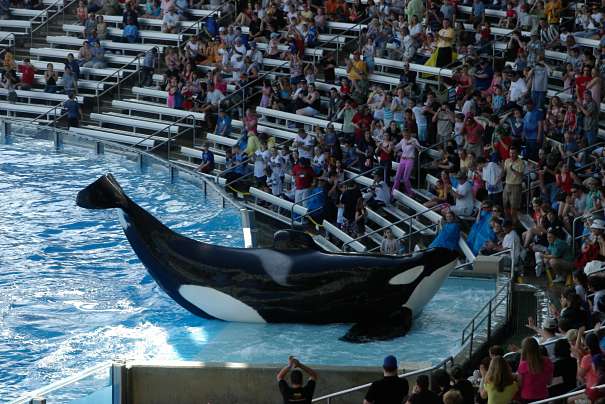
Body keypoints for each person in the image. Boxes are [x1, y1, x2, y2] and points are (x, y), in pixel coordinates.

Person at [517, 337, 553, 402]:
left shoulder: (522, 365)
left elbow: (520, 384)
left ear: (524, 350)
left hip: (527, 397)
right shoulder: (547, 361)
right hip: (543, 396)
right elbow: (549, 382)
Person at [502, 146, 525, 224]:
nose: (511, 154)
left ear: (517, 153)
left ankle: (514, 224)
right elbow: (504, 172)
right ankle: (507, 222)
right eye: (510, 153)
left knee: (513, 208)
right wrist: (501, 171)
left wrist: (512, 169)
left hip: (516, 186)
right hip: (507, 184)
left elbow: (521, 175)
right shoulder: (507, 160)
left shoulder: (521, 162)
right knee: (504, 204)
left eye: (513, 153)